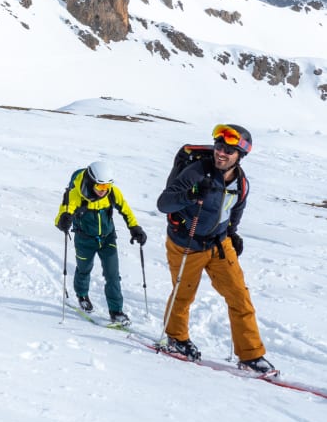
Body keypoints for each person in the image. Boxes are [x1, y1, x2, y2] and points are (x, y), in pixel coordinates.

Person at [157, 123, 275, 374]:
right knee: (184, 294)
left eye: (229, 151)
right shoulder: (196, 171)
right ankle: (176, 338)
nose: (221, 153)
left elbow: (235, 209)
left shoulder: (241, 183)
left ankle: (251, 355)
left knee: (240, 297)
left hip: (220, 243)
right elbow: (164, 203)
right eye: (219, 147)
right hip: (187, 243)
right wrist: (191, 195)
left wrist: (232, 233)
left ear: (240, 156)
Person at [55, 159, 147, 325]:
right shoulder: (75, 194)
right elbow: (63, 213)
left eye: (106, 187)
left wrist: (135, 228)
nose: (103, 191)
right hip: (84, 240)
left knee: (113, 275)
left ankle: (116, 311)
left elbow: (125, 209)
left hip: (107, 238)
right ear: (91, 182)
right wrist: (64, 220)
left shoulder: (112, 192)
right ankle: (82, 295)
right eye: (100, 187)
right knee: (84, 269)